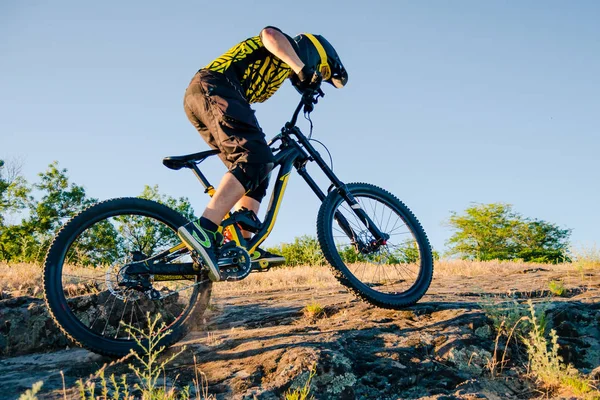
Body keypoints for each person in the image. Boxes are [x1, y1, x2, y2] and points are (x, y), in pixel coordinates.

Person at [177, 26, 348, 281]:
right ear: (317, 53)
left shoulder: (278, 73)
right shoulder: (284, 46)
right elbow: (269, 34)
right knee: (255, 160)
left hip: (207, 96)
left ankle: (244, 244)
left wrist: (307, 90)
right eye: (322, 71)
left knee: (258, 170)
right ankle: (204, 228)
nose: (317, 76)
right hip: (214, 86)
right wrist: (302, 68)